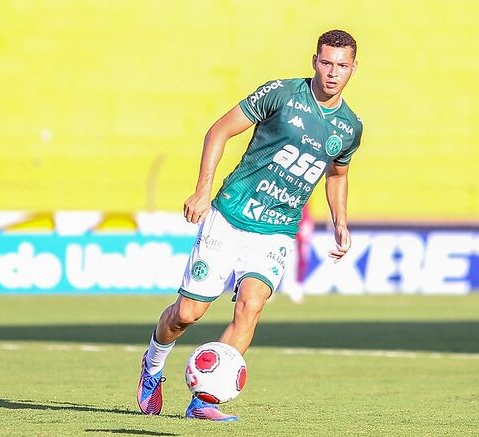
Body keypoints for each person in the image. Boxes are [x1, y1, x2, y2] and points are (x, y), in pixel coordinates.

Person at [137, 29, 363, 422]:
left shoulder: (349, 127)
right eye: (326, 63)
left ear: (353, 69)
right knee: (187, 314)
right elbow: (219, 130)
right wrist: (202, 190)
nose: (332, 72)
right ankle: (153, 365)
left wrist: (340, 222)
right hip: (230, 216)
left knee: (250, 306)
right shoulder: (281, 94)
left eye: (341, 66)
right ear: (314, 61)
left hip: (276, 230)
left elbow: (337, 174)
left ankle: (204, 400)